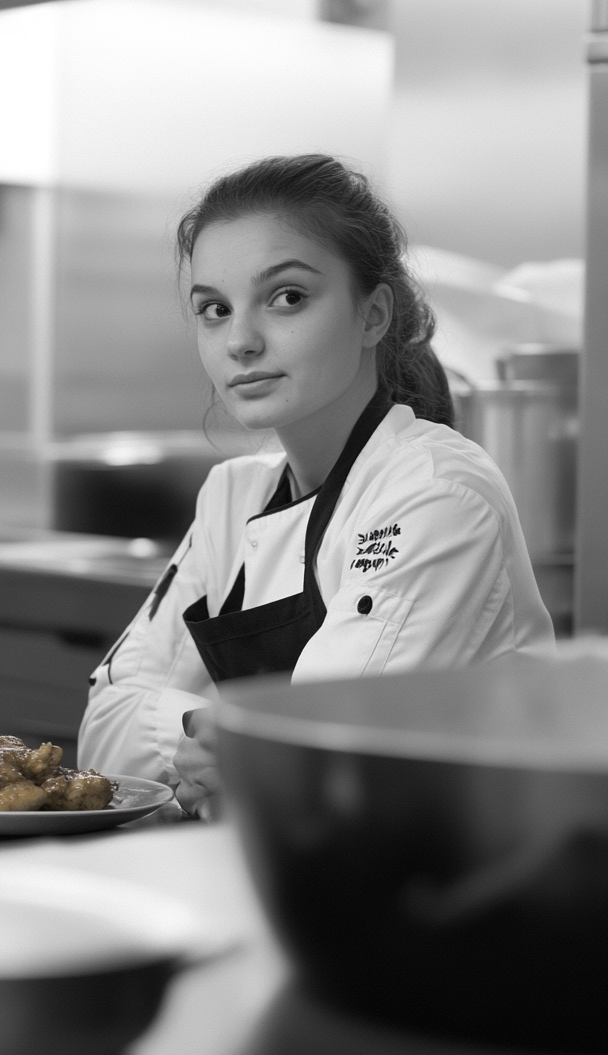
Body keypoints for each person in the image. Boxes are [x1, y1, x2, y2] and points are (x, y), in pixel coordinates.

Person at [78, 155, 554, 816]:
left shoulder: (439, 492)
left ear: (373, 315)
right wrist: (227, 743)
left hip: (459, 888)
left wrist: (234, 746)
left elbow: (322, 763)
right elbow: (103, 737)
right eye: (213, 309)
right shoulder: (232, 497)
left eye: (288, 297)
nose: (240, 341)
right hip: (297, 874)